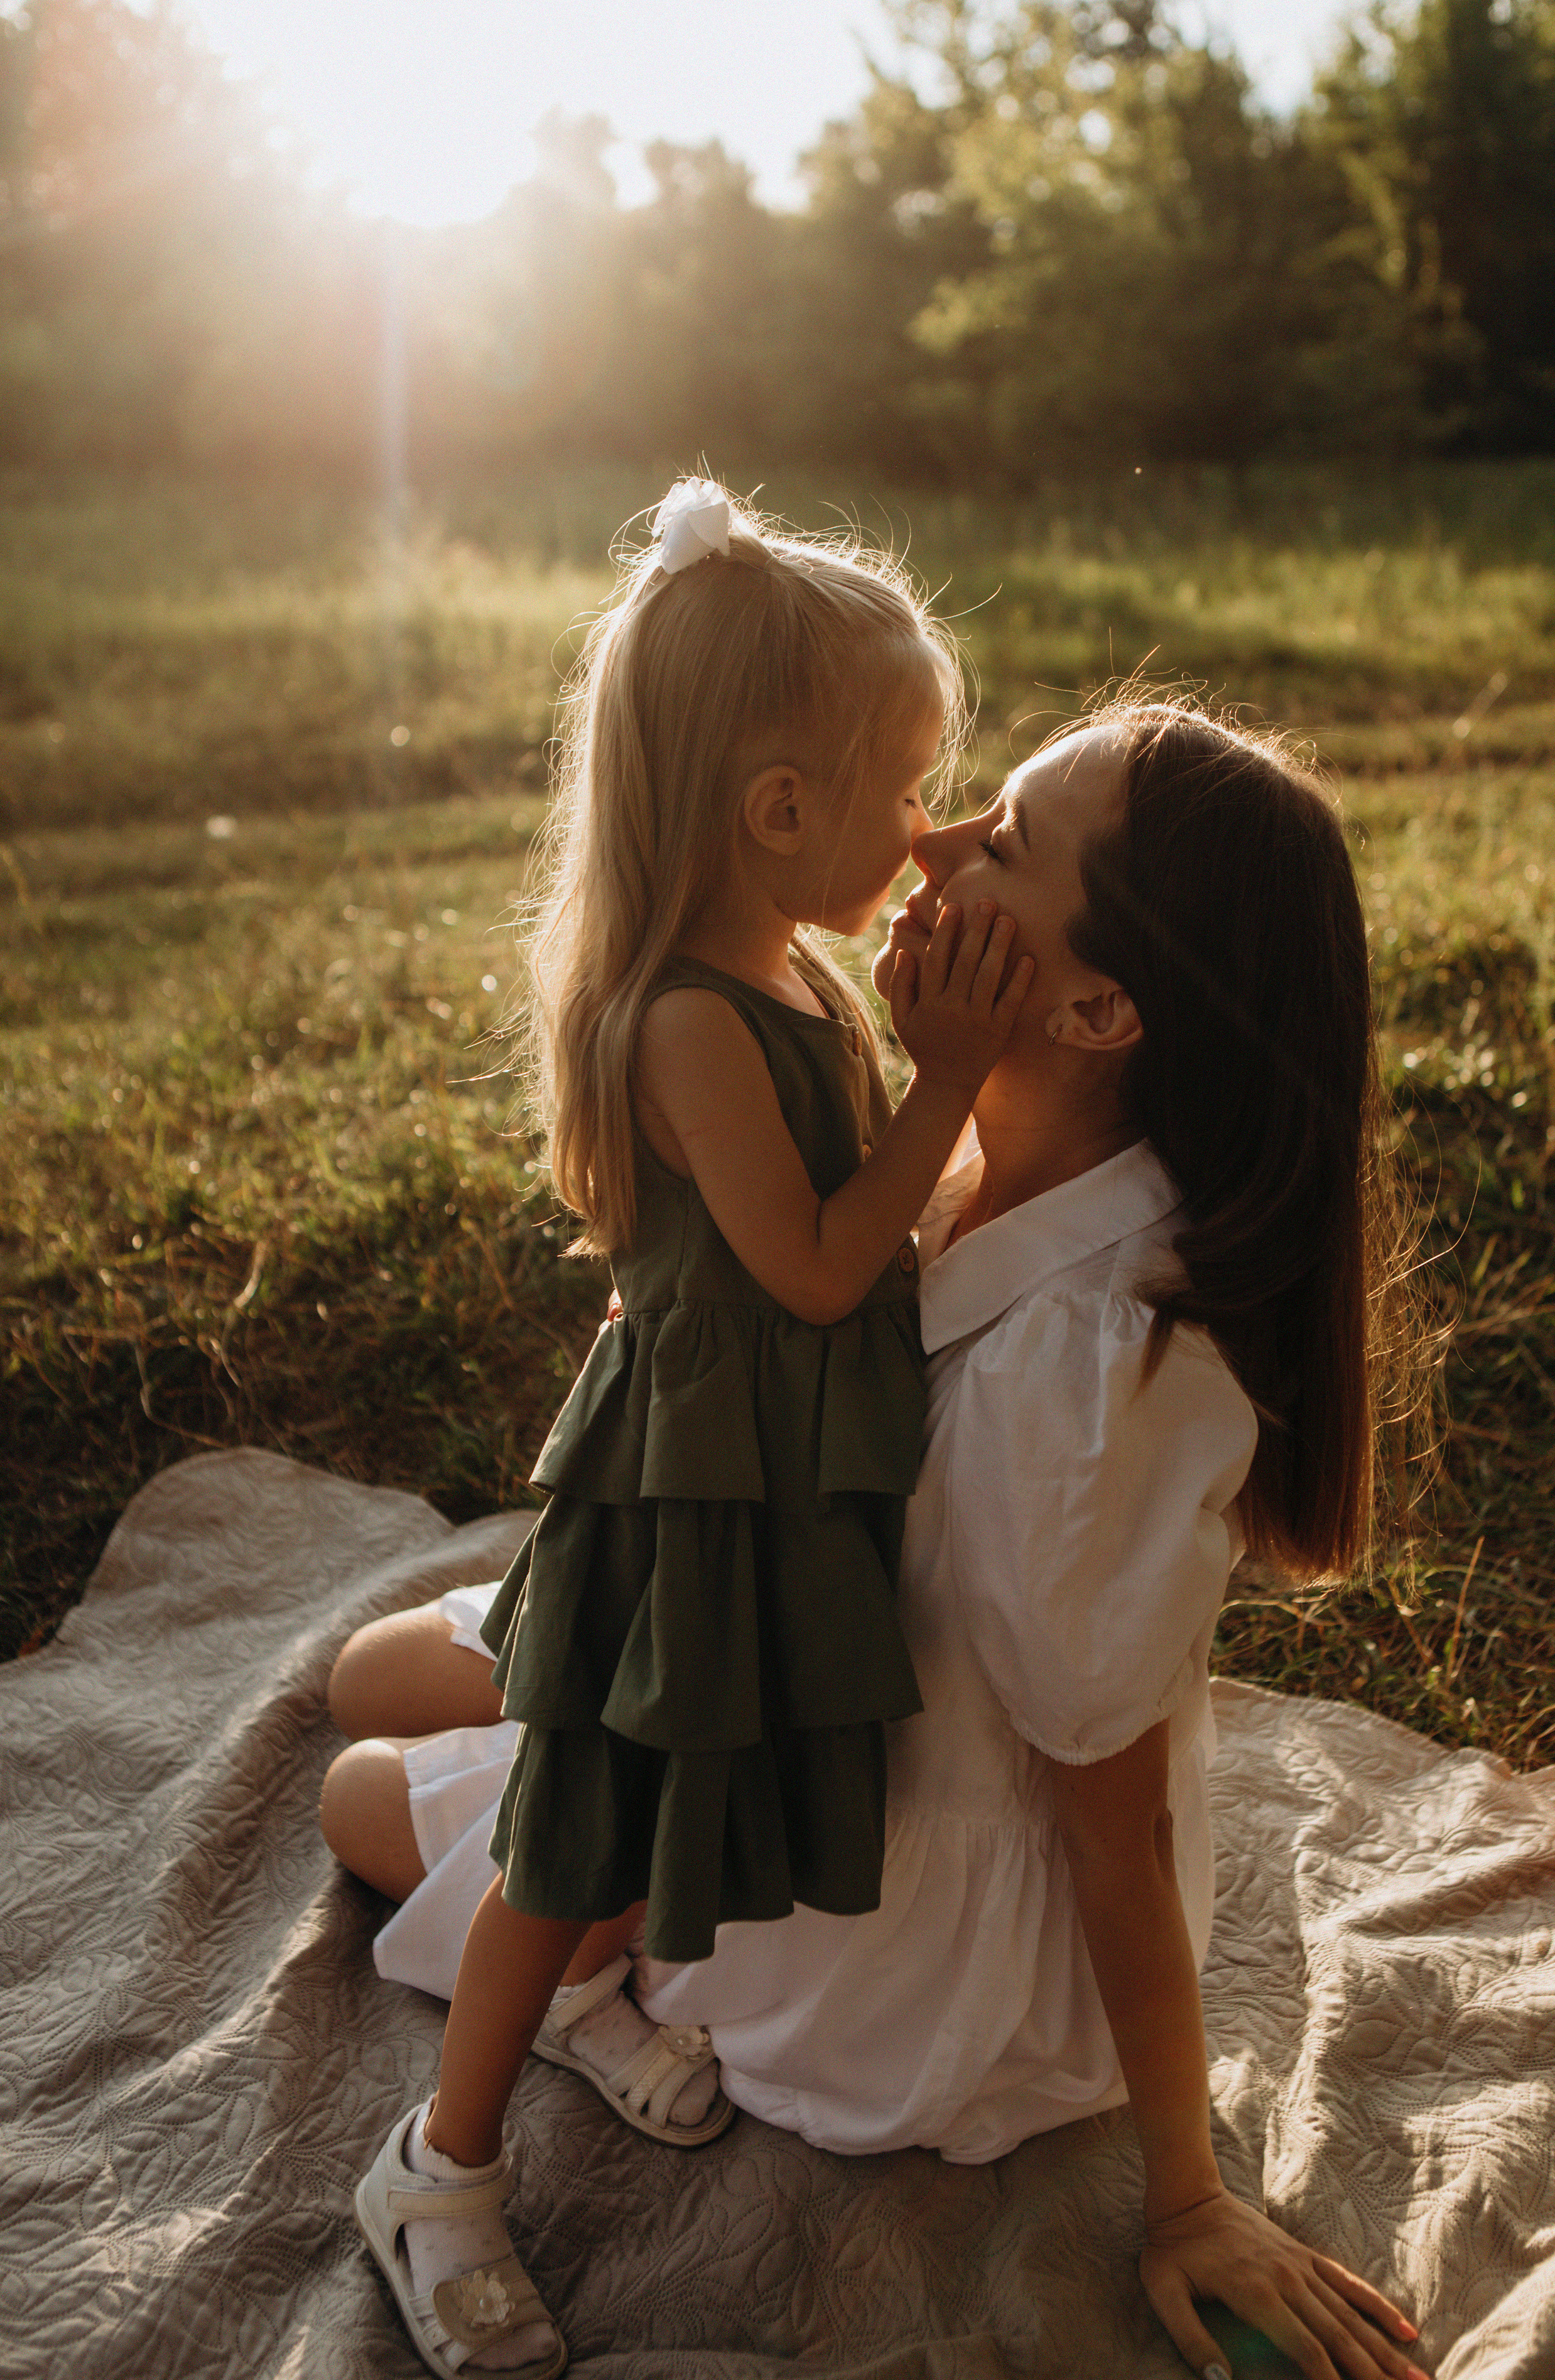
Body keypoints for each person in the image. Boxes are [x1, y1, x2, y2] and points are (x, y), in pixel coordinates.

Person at [327, 696, 1434, 2380]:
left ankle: (589, 1967)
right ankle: (569, 1870)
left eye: (1005, 844)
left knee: (355, 1779)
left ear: (1098, 1002)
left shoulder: (1087, 1392)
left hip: (871, 1898)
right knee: (369, 1670)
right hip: (792, 1628)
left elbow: (1109, 1824)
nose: (935, 843)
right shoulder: (997, 1140)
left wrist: (1188, 2190)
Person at [347, 478, 1036, 2380]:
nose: (927, 823)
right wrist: (954, 1067)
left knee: (689, 1778)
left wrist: (926, 969)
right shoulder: (685, 1026)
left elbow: (895, 1186)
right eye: (906, 788)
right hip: (686, 1488)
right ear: (775, 811)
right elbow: (823, 1264)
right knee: (576, 1828)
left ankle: (582, 2007)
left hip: (773, 1484)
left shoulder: (798, 969)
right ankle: (438, 2166)